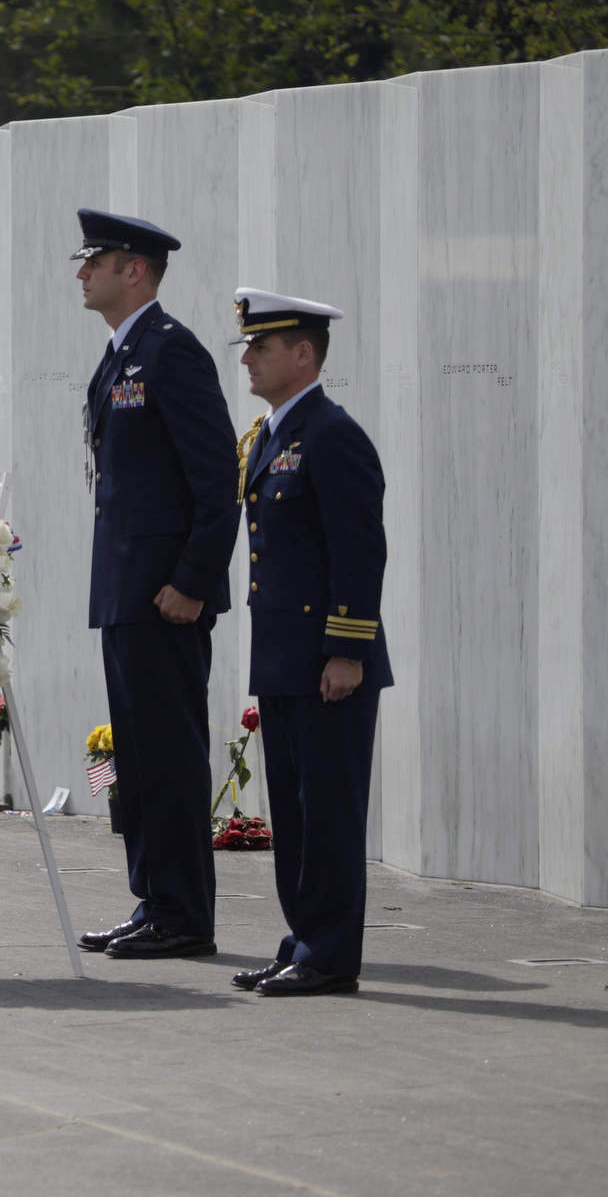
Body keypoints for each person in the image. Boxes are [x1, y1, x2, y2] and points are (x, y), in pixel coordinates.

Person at [70, 208, 239, 960]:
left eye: (93, 261)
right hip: (126, 592)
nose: (82, 273)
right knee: (136, 759)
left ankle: (184, 914)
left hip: (167, 598)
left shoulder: (172, 354)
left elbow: (216, 481)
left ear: (132, 269)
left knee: (169, 755)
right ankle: (154, 899)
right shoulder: (119, 357)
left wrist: (192, 582)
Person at [227, 289, 392, 997]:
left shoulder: (332, 435)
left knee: (328, 810)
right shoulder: (268, 435)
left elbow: (360, 552)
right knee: (292, 814)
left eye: (260, 347)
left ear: (302, 353)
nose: (247, 360)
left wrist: (347, 650)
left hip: (331, 662)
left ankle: (329, 955)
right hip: (286, 658)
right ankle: (302, 941)